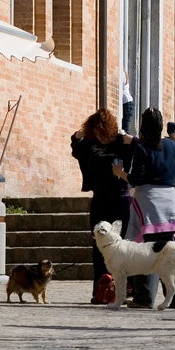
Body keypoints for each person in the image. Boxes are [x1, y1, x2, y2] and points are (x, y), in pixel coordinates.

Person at [117, 107, 175, 309]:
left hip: (148, 201)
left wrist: (121, 173)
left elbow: (136, 178)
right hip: (171, 202)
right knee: (174, 248)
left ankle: (144, 296)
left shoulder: (142, 148)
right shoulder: (174, 146)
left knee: (145, 248)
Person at [71, 108, 133, 304]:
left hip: (121, 198)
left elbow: (138, 149)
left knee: (121, 244)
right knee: (99, 245)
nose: (99, 135)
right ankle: (100, 288)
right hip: (100, 199)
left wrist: (130, 138)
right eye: (95, 131)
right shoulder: (90, 144)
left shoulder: (119, 142)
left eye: (102, 131)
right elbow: (76, 150)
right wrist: (75, 137)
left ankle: (123, 287)